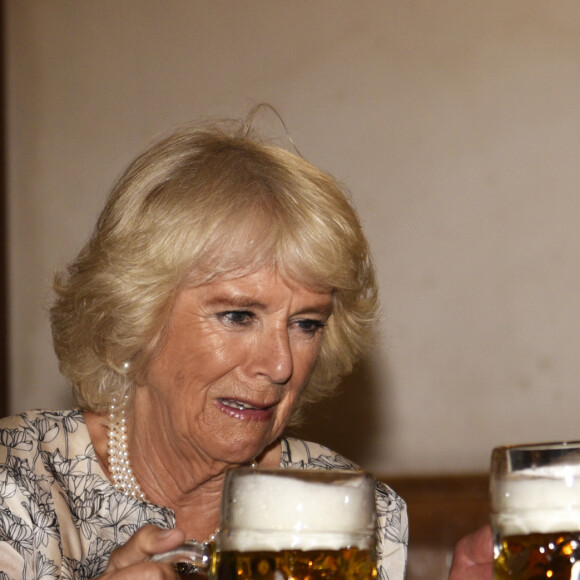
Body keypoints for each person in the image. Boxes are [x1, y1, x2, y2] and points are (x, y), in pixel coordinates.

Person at [0, 115, 408, 579]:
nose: (279, 364)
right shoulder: (17, 484)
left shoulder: (352, 513)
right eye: (238, 316)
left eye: (306, 323)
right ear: (136, 320)